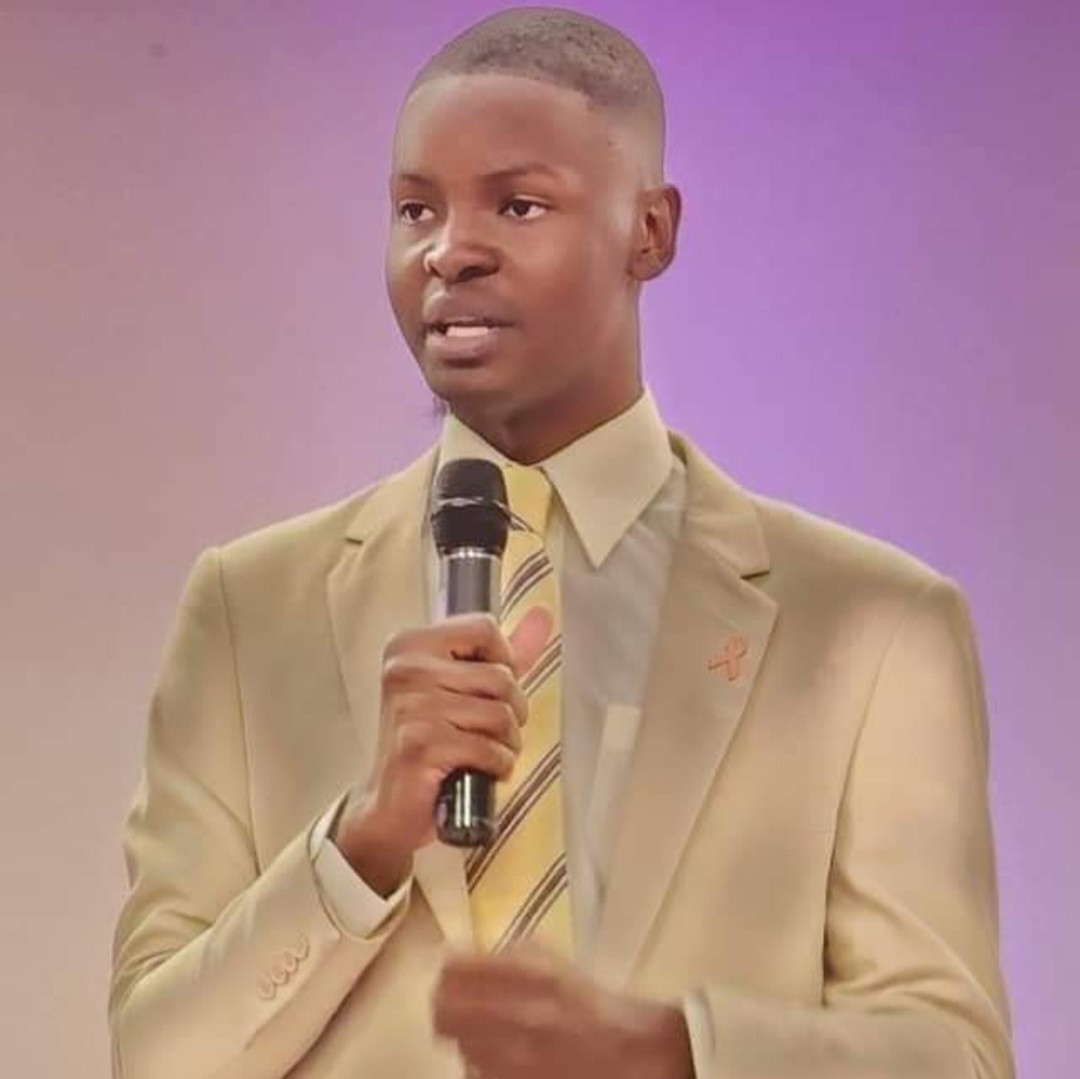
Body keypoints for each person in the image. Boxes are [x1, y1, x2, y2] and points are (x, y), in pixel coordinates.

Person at [109, 8, 1013, 1079]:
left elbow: (955, 1053)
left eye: (518, 203)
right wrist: (359, 846)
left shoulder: (874, 628)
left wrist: (675, 1051)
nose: (449, 250)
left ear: (650, 232)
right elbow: (153, 1058)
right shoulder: (247, 608)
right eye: (415, 209)